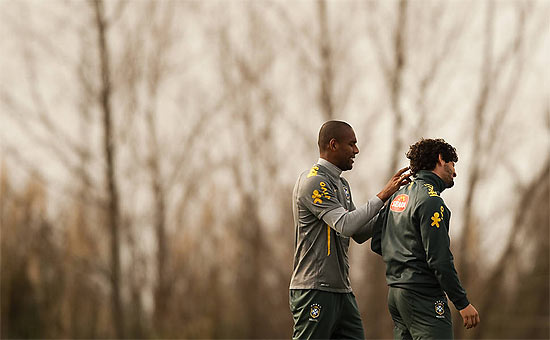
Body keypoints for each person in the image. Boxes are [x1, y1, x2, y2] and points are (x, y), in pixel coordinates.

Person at [289, 120, 411, 339]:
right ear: (333, 145)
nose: (356, 150)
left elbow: (360, 231)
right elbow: (345, 225)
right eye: (352, 144)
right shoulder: (313, 182)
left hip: (342, 291)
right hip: (315, 289)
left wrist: (396, 207)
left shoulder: (342, 185)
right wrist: (382, 195)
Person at [371, 138, 480, 339]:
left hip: (395, 294)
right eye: (452, 164)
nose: (455, 172)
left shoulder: (397, 195)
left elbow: (378, 242)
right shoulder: (432, 201)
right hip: (423, 295)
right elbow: (439, 260)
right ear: (440, 159)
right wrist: (462, 303)